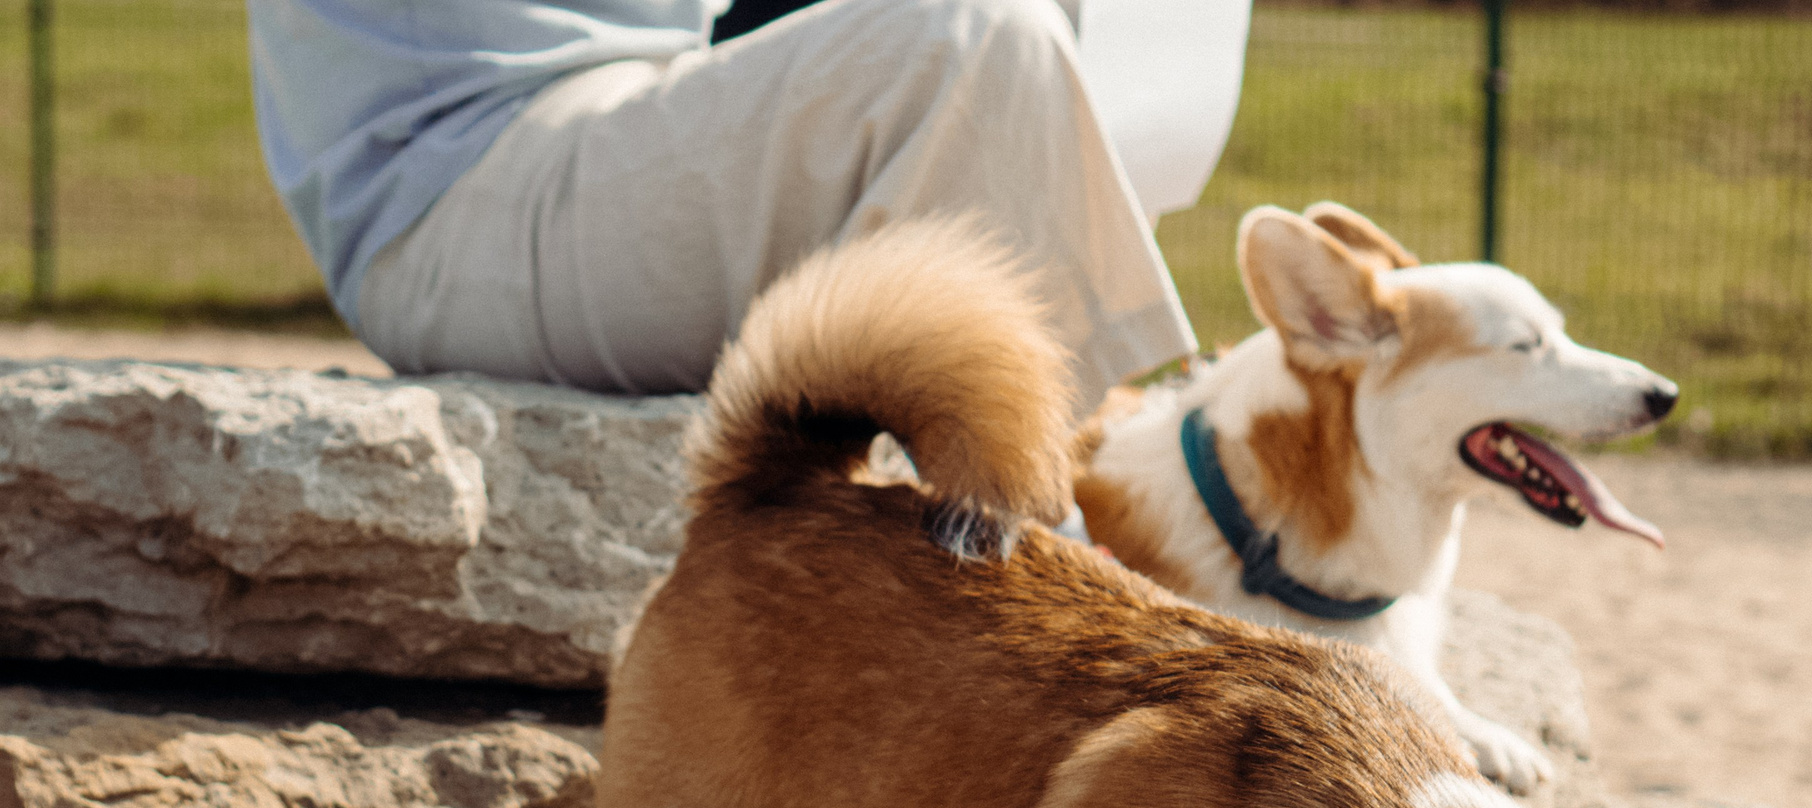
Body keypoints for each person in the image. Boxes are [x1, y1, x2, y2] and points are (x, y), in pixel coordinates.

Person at [247, 0, 1246, 408]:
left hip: (609, 124)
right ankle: (1087, 516)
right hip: (455, 184)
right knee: (971, 40)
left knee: (1005, 31)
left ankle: (1083, 483)